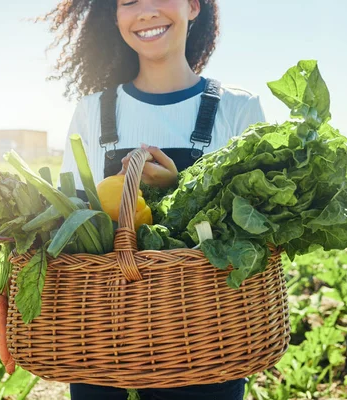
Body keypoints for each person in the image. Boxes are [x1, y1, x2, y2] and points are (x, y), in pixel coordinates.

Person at [45, 0, 266, 399]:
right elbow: (66, 227)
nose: (145, 11)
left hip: (206, 344)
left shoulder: (238, 108)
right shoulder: (92, 111)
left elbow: (260, 228)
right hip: (102, 347)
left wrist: (175, 188)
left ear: (193, 7)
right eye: (128, 1)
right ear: (114, 17)